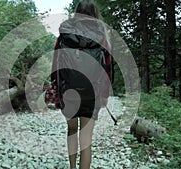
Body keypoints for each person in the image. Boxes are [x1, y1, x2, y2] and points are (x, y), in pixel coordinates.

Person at [50, 1, 113, 168]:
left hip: (68, 91)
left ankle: (72, 167)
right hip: (92, 93)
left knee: (72, 131)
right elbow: (107, 69)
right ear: (95, 14)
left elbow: (55, 65)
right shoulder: (101, 38)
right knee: (86, 139)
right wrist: (105, 96)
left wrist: (56, 91)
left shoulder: (64, 36)